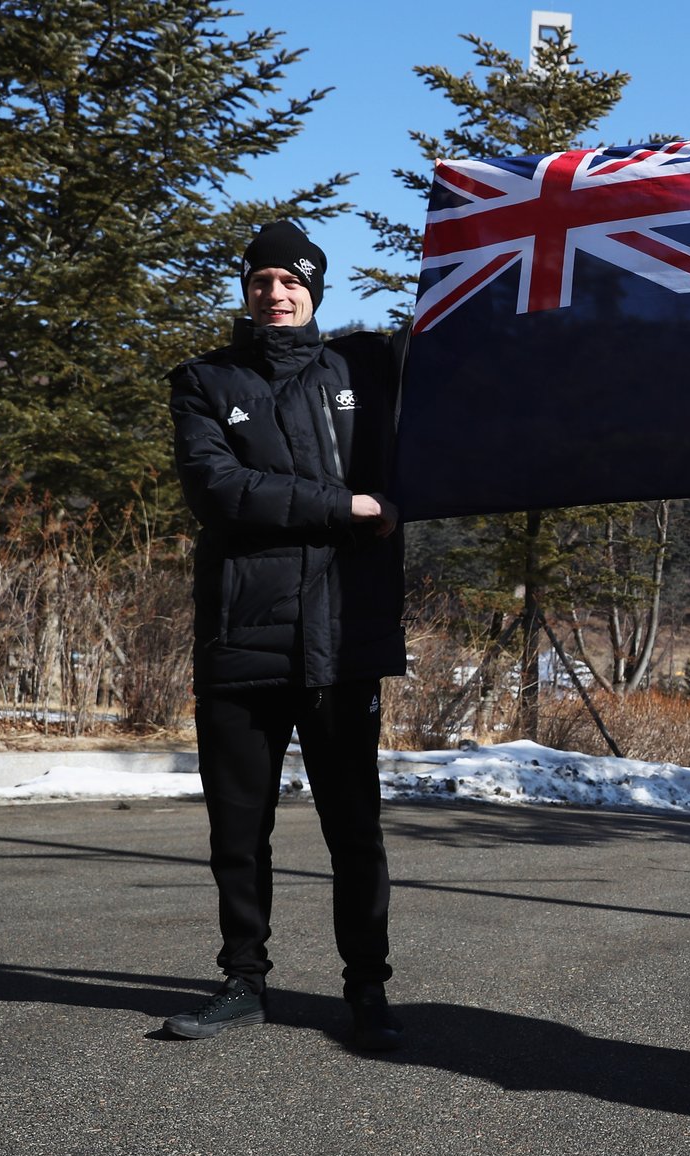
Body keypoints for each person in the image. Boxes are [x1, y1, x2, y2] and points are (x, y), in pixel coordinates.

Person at [163, 221, 410, 1052]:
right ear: (246, 289)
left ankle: (367, 993)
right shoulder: (204, 380)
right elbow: (220, 490)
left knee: (354, 829)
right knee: (238, 829)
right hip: (242, 639)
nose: (275, 292)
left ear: (315, 290)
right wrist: (347, 507)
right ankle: (243, 982)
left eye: (291, 279)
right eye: (261, 279)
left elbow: (469, 379)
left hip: (345, 639)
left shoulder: (367, 369)